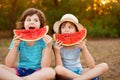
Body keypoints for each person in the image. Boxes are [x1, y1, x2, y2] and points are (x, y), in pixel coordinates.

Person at [0, 8, 55, 80]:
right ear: (23, 23)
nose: (32, 22)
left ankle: (22, 79)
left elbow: (45, 66)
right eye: (28, 20)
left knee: (50, 71)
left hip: (38, 72)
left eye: (36, 20)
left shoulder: (44, 41)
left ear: (40, 24)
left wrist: (48, 47)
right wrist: (15, 46)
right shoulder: (18, 39)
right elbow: (8, 64)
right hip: (20, 70)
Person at [53, 14, 109, 80]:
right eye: (63, 27)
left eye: (70, 27)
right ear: (60, 30)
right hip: (65, 73)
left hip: (79, 71)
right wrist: (57, 51)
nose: (66, 30)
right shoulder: (57, 45)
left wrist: (84, 48)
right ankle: (84, 78)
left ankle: (79, 78)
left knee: (104, 66)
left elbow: (91, 66)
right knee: (58, 69)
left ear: (76, 31)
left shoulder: (79, 44)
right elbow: (60, 67)